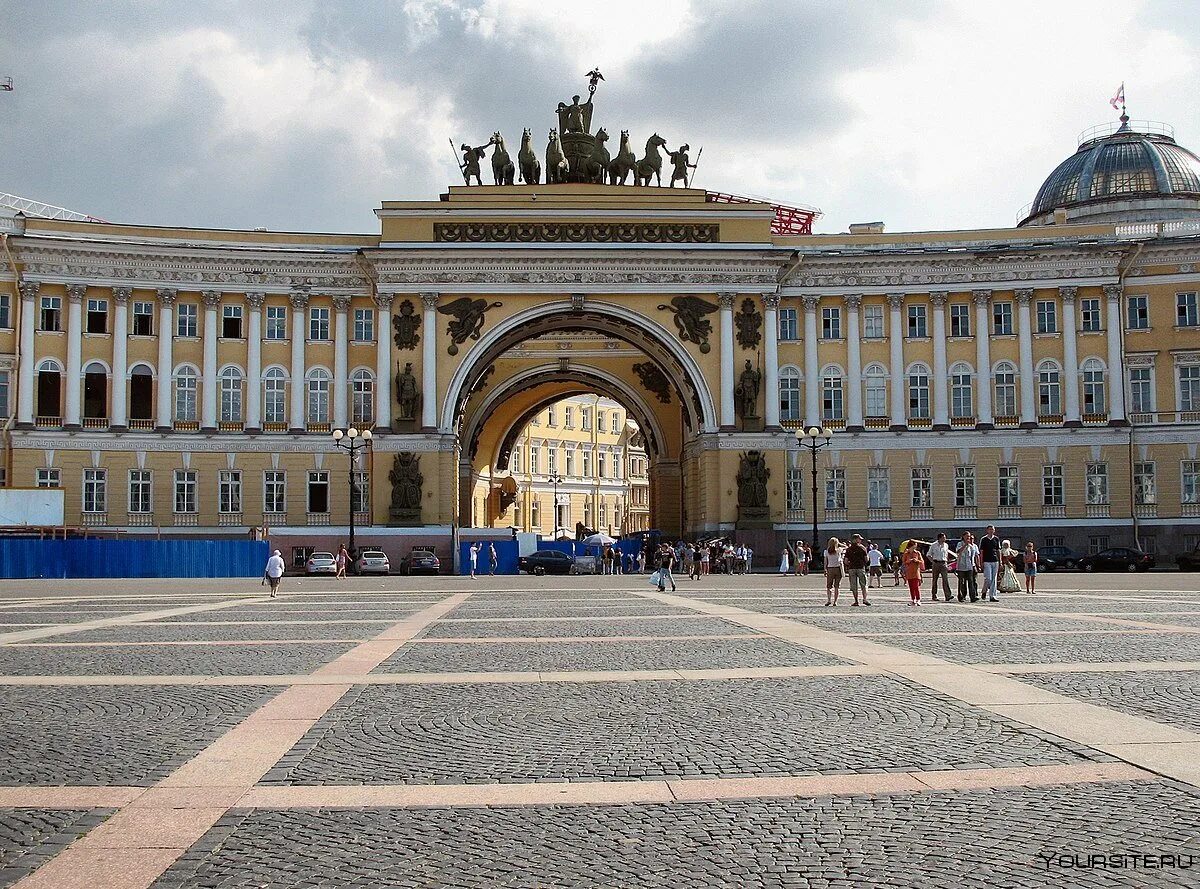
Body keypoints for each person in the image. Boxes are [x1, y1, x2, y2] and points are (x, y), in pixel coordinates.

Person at [844, 533, 870, 606]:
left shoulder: (848, 549)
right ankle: (864, 599)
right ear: (856, 539)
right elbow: (866, 559)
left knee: (854, 586)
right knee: (863, 584)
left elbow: (845, 561)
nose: (861, 540)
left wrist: (850, 563)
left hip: (852, 568)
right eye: (859, 539)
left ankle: (856, 601)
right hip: (861, 567)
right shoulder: (862, 548)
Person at [955, 532, 981, 602]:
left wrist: (975, 565)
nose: (968, 538)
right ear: (963, 537)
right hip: (961, 566)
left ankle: (973, 596)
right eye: (967, 536)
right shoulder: (960, 544)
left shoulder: (972, 546)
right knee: (962, 582)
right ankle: (962, 596)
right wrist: (965, 545)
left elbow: (974, 556)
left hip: (969, 566)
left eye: (969, 537)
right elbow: (958, 551)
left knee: (971, 581)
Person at [927, 532, 953, 602]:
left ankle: (948, 595)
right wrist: (933, 561)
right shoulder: (933, 545)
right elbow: (928, 555)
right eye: (944, 537)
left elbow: (946, 554)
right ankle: (934, 595)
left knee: (945, 580)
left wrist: (946, 562)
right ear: (940, 538)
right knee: (935, 580)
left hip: (943, 563)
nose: (945, 538)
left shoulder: (946, 545)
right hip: (936, 563)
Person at [979, 524, 1002, 602]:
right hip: (986, 561)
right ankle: (984, 590)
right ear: (987, 530)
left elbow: (998, 550)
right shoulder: (984, 539)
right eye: (990, 529)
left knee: (994, 579)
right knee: (988, 578)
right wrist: (981, 562)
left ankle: (992, 596)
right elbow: (981, 551)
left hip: (995, 560)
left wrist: (1000, 561)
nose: (991, 531)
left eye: (992, 529)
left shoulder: (996, 539)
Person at [902, 539, 925, 606]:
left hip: (916, 572)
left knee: (916, 587)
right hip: (909, 572)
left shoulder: (917, 553)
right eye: (915, 545)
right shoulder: (906, 554)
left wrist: (916, 560)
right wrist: (908, 561)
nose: (916, 547)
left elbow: (922, 561)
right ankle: (913, 599)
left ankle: (918, 599)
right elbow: (903, 562)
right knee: (911, 587)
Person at [823, 537, 844, 606]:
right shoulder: (839, 550)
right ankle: (835, 601)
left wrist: (825, 569)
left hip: (830, 568)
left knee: (829, 586)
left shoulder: (826, 551)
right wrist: (839, 544)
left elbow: (825, 562)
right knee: (837, 586)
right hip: (838, 568)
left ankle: (829, 600)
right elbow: (846, 547)